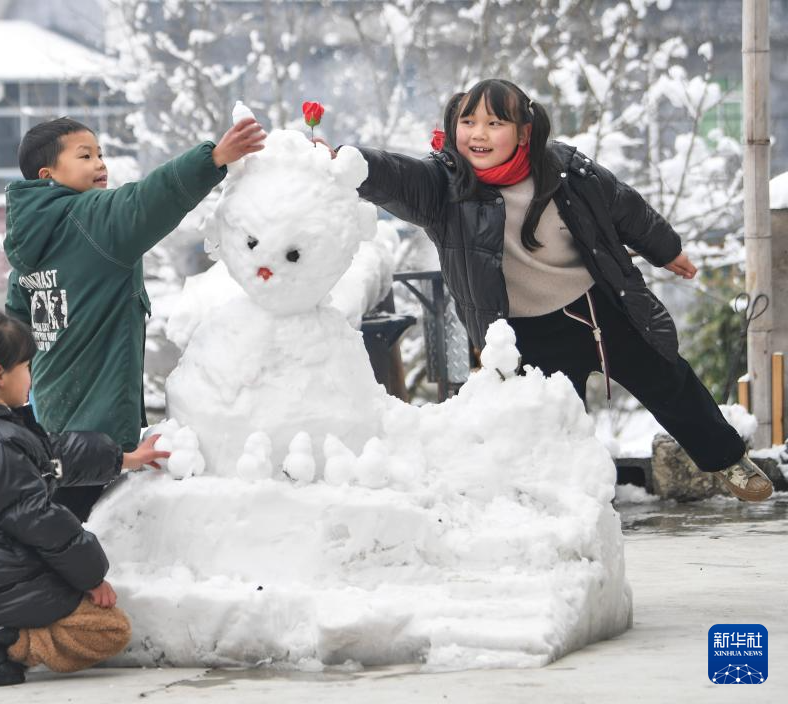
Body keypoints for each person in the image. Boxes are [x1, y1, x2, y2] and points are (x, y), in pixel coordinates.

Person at [319, 78, 772, 502]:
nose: (478, 133)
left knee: (669, 378)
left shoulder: (566, 170)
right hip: (524, 332)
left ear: (523, 133)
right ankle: (564, 508)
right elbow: (394, 174)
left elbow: (624, 207)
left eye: (495, 123)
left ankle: (728, 460)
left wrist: (665, 247)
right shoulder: (443, 188)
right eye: (468, 121)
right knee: (551, 426)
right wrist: (344, 160)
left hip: (598, 308)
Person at [5, 116, 266, 521]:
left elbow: (15, 330)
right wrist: (212, 159)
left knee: (54, 522)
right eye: (85, 155)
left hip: (50, 422)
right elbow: (148, 199)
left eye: (100, 154)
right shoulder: (92, 219)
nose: (100, 164)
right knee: (81, 535)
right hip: (97, 427)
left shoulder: (27, 243)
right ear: (48, 174)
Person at [0, 309, 170, 686]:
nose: (32, 376)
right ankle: (1, 638)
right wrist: (92, 577)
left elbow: (50, 458)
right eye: (27, 366)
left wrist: (125, 459)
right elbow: (42, 521)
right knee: (108, 629)